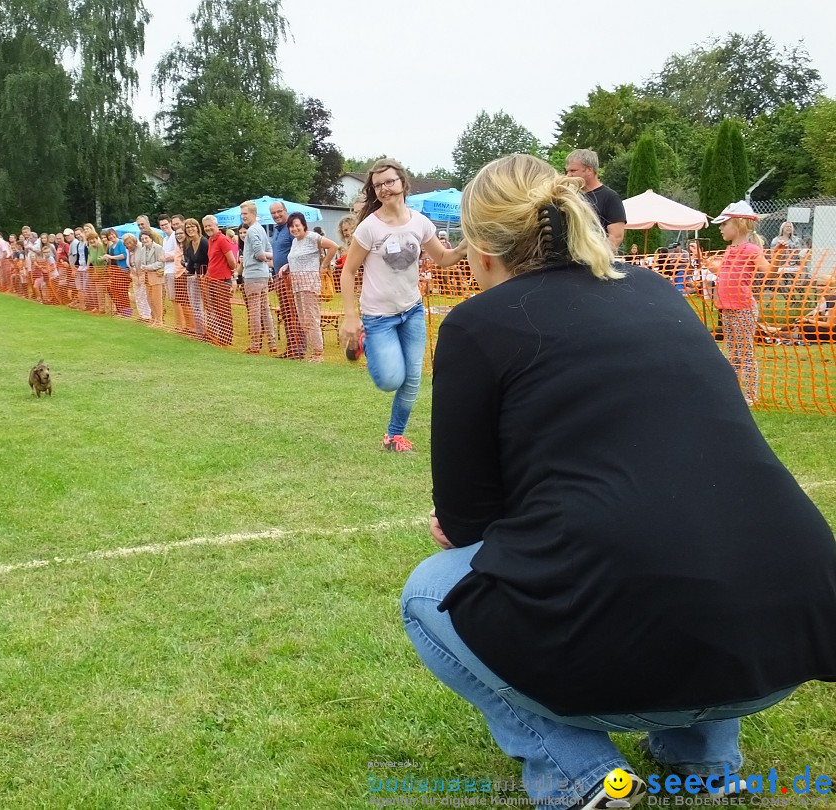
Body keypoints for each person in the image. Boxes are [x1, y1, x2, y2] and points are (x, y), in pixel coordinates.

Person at [401, 154, 836, 810]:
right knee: (692, 524)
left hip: (632, 630)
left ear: (482, 252)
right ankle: (706, 763)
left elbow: (466, 523)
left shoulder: (475, 326)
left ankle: (581, 780)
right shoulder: (656, 291)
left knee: (428, 591)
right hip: (790, 630)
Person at [338, 158, 468, 453]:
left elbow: (443, 259)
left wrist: (462, 247)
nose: (385, 189)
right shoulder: (369, 228)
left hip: (412, 311)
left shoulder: (420, 222)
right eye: (378, 185)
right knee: (389, 380)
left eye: (390, 182)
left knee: (411, 380)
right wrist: (350, 315)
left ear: (403, 183)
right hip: (378, 318)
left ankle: (394, 437)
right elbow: (348, 271)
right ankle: (364, 341)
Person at [713, 200, 767, 405]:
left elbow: (767, 270)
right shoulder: (729, 250)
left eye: (724, 224)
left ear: (739, 224)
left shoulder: (752, 249)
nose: (720, 228)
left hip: (743, 307)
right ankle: (734, 391)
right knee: (733, 351)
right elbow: (727, 274)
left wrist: (779, 258)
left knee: (745, 351)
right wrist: (715, 269)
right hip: (727, 308)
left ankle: (751, 394)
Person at [279, 212, 338, 362]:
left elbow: (333, 246)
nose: (294, 229)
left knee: (312, 320)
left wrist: (324, 266)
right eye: (291, 226)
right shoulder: (295, 242)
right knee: (304, 321)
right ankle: (313, 353)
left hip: (310, 285)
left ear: (303, 225)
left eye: (297, 225)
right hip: (297, 285)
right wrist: (287, 266)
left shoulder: (312, 237)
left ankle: (318, 354)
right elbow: (296, 259)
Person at [565, 149, 625, 251]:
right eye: (567, 171)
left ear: (589, 170)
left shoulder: (610, 197)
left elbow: (616, 237)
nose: (568, 175)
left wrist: (594, 257)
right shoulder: (570, 195)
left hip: (594, 261)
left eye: (573, 171)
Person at [240, 201, 277, 355]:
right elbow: (268, 249)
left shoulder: (252, 231)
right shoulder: (260, 229)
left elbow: (260, 253)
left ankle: (255, 344)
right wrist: (270, 258)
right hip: (262, 274)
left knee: (254, 311)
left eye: (245, 214)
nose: (243, 217)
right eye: (242, 214)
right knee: (264, 309)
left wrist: (267, 257)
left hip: (253, 274)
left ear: (253, 214)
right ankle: (272, 342)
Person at [268, 201, 301, 358]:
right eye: (273, 213)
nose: (276, 215)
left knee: (293, 314)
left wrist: (288, 264)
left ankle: (297, 349)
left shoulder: (290, 229)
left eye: (279, 211)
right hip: (279, 279)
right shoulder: (277, 230)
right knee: (287, 315)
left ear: (286, 211)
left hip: (290, 279)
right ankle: (291, 347)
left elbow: (299, 251)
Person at [202, 215, 236, 345]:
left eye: (210, 225)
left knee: (223, 310)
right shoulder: (211, 240)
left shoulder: (222, 240)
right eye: (205, 226)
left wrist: (229, 272)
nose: (208, 228)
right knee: (216, 309)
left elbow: (232, 261)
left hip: (222, 281)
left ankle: (226, 338)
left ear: (216, 225)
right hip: (212, 280)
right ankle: (221, 335)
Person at [182, 218, 208, 339]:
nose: (190, 229)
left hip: (207, 278)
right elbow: (191, 264)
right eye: (187, 227)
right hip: (196, 277)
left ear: (198, 228)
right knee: (196, 305)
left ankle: (210, 332)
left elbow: (211, 259)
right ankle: (200, 332)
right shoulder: (189, 245)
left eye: (193, 226)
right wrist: (186, 269)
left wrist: (206, 274)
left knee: (209, 306)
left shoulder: (204, 242)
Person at [135, 231, 165, 327]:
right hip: (147, 277)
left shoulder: (158, 248)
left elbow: (160, 262)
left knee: (157, 299)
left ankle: (159, 320)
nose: (144, 240)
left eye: (146, 238)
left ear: (151, 238)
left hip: (156, 276)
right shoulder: (143, 249)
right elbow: (142, 262)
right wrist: (143, 267)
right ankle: (154, 318)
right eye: (142, 239)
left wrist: (148, 267)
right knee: (150, 299)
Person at [126, 233, 150, 322]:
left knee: (144, 295)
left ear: (134, 241)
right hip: (134, 275)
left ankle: (147, 315)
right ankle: (142, 315)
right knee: (138, 296)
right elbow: (129, 264)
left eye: (130, 242)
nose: (129, 245)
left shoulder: (140, 248)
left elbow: (143, 261)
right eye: (127, 243)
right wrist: (133, 274)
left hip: (142, 274)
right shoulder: (128, 250)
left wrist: (141, 274)